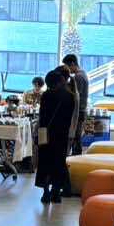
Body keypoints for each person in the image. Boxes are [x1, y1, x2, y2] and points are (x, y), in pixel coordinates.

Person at [35, 67, 74, 203]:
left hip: (46, 134)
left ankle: (46, 192)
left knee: (45, 163)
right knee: (59, 163)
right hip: (61, 135)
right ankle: (56, 193)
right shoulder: (69, 96)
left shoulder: (46, 95)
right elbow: (69, 118)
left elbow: (42, 116)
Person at [63, 54, 90, 155]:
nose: (68, 70)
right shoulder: (83, 74)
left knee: (75, 137)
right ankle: (76, 158)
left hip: (78, 111)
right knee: (76, 138)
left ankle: (76, 159)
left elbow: (74, 95)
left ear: (73, 64)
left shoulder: (78, 77)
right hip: (82, 110)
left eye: (67, 67)